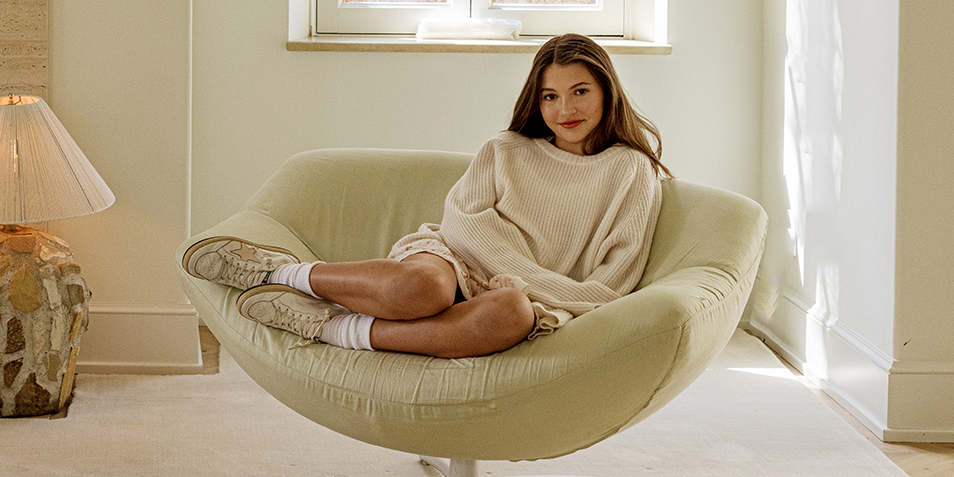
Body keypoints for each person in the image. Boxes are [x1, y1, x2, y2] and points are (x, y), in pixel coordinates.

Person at [183, 34, 668, 358]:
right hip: (457, 260)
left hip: (525, 299)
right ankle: (277, 270)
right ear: (535, 100)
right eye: (550, 96)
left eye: (580, 91)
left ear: (607, 90)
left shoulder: (631, 170)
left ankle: (328, 327)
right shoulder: (506, 149)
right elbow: (463, 226)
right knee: (423, 289)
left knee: (511, 314)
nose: (565, 109)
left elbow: (613, 284)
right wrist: (517, 276)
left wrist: (523, 290)